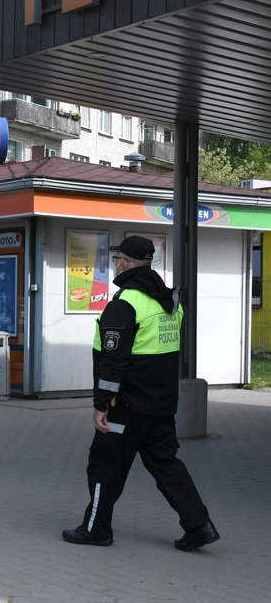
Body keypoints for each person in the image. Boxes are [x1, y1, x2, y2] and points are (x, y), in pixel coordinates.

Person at [62, 235, 220, 551]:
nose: (115, 263)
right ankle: (199, 526)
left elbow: (113, 360)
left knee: (105, 465)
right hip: (160, 406)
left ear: (127, 262)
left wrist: (101, 404)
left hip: (126, 407)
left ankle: (96, 530)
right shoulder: (169, 303)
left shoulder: (125, 304)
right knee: (167, 466)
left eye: (117, 258)